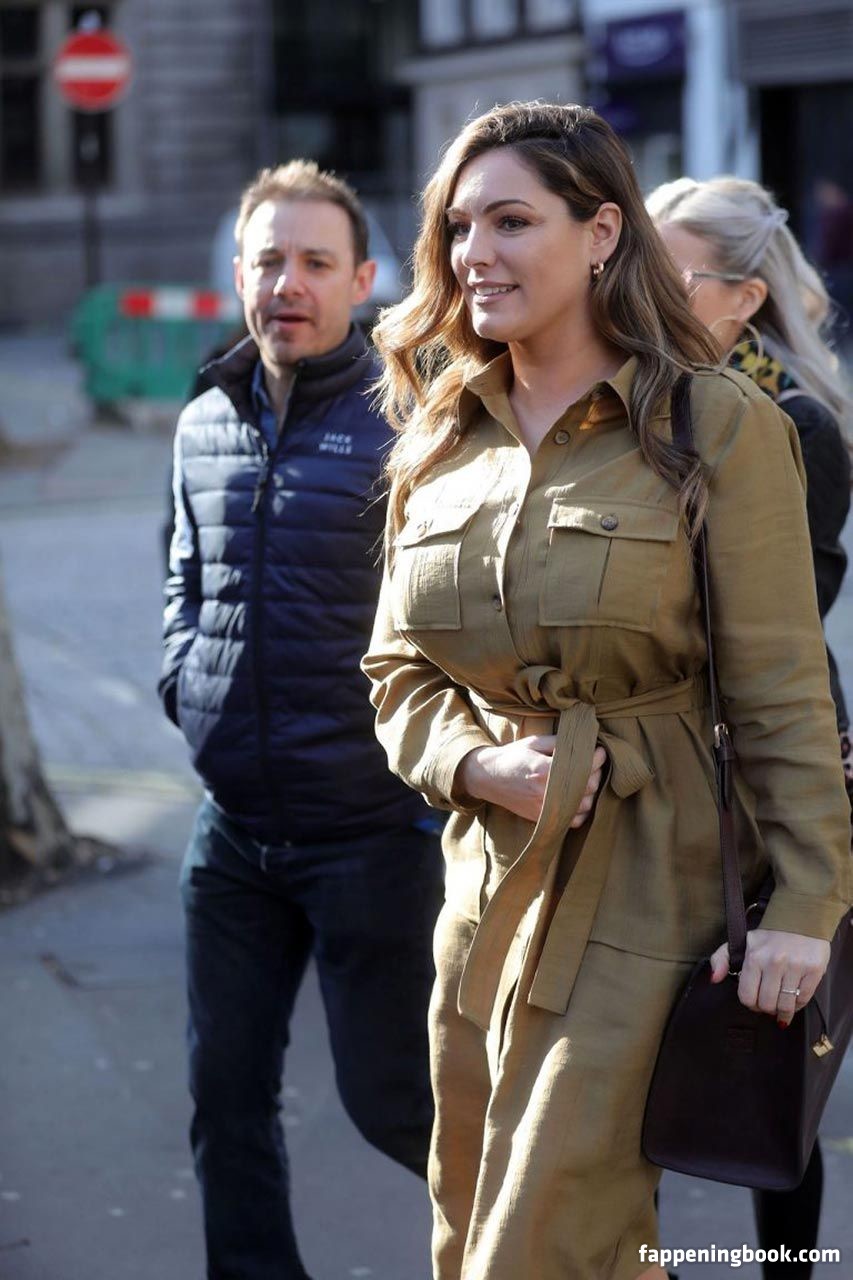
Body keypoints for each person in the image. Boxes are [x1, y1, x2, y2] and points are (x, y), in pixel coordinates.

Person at [361, 102, 851, 1280]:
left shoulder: (715, 422)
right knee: (470, 1216)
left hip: (652, 880)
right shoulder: (440, 433)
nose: (474, 252)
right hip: (484, 890)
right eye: (458, 226)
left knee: (539, 1244)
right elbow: (396, 670)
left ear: (600, 233)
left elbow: (781, 685)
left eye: (511, 221)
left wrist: (806, 903)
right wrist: (477, 762)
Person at [159, 160, 443, 1280]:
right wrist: (183, 684)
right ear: (238, 273)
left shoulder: (407, 423)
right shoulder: (202, 419)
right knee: (223, 1099)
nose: (289, 282)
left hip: (369, 833)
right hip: (232, 833)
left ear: (362, 280)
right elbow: (184, 577)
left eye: (316, 262)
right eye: (268, 260)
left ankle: (568, 1244)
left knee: (392, 1103)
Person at [647, 173, 852, 1279]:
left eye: (669, 274)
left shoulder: (793, 424)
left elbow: (778, 637)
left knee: (768, 1064)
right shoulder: (630, 396)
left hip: (754, 773)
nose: (635, 290)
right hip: (658, 764)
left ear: (742, 297)